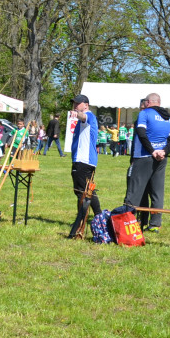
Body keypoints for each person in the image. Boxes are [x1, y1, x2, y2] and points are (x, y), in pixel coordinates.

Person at [123, 92, 170, 232]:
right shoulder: (168, 117)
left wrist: (151, 151)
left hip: (144, 157)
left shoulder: (145, 113)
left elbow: (141, 133)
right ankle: (155, 224)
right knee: (157, 192)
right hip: (161, 159)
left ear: (148, 102)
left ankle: (129, 224)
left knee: (134, 191)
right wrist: (164, 151)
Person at [67, 95, 102, 239]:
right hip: (80, 161)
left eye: (78, 103)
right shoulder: (84, 117)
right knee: (84, 193)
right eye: (74, 103)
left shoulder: (89, 116)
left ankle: (96, 218)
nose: (75, 105)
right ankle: (97, 218)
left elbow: (83, 117)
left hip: (84, 161)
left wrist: (78, 114)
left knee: (84, 194)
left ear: (86, 105)